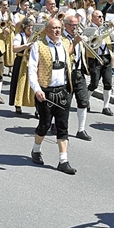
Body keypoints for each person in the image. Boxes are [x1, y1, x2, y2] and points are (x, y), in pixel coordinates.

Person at [28, 18, 76, 174]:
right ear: (47, 30)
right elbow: (32, 70)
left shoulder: (65, 43)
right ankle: (36, 150)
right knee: (45, 124)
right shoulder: (38, 45)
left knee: (63, 126)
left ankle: (63, 161)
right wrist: (37, 89)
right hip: (45, 91)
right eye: (54, 28)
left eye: (59, 28)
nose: (57, 30)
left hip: (62, 90)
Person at [63, 13, 92, 141]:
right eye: (72, 25)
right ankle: (58, 126)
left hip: (79, 73)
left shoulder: (78, 37)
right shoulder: (61, 37)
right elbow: (65, 54)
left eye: (76, 25)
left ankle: (81, 129)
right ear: (66, 25)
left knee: (83, 101)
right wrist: (74, 42)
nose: (75, 27)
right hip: (66, 73)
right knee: (65, 103)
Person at [86, 11, 114, 116]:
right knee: (94, 83)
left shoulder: (107, 28)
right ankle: (86, 100)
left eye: (102, 16)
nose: (101, 18)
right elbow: (86, 43)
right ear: (93, 18)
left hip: (107, 57)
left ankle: (106, 107)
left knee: (108, 83)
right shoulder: (89, 29)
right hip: (94, 58)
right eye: (99, 16)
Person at [9, 18, 36, 114]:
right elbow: (14, 49)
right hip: (21, 61)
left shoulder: (36, 37)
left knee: (34, 83)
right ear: (24, 27)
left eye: (32, 27)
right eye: (29, 26)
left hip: (33, 61)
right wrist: (26, 46)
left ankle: (37, 107)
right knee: (19, 81)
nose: (31, 29)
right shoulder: (19, 36)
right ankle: (18, 104)